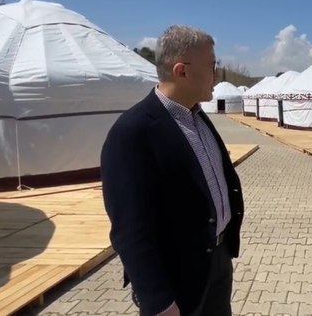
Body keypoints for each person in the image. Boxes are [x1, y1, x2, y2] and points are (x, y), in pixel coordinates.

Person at [100, 25, 244, 316]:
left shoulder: (197, 116)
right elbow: (130, 227)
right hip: (177, 276)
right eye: (212, 66)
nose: (217, 75)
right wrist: (157, 299)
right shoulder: (134, 132)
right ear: (182, 71)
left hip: (217, 259)